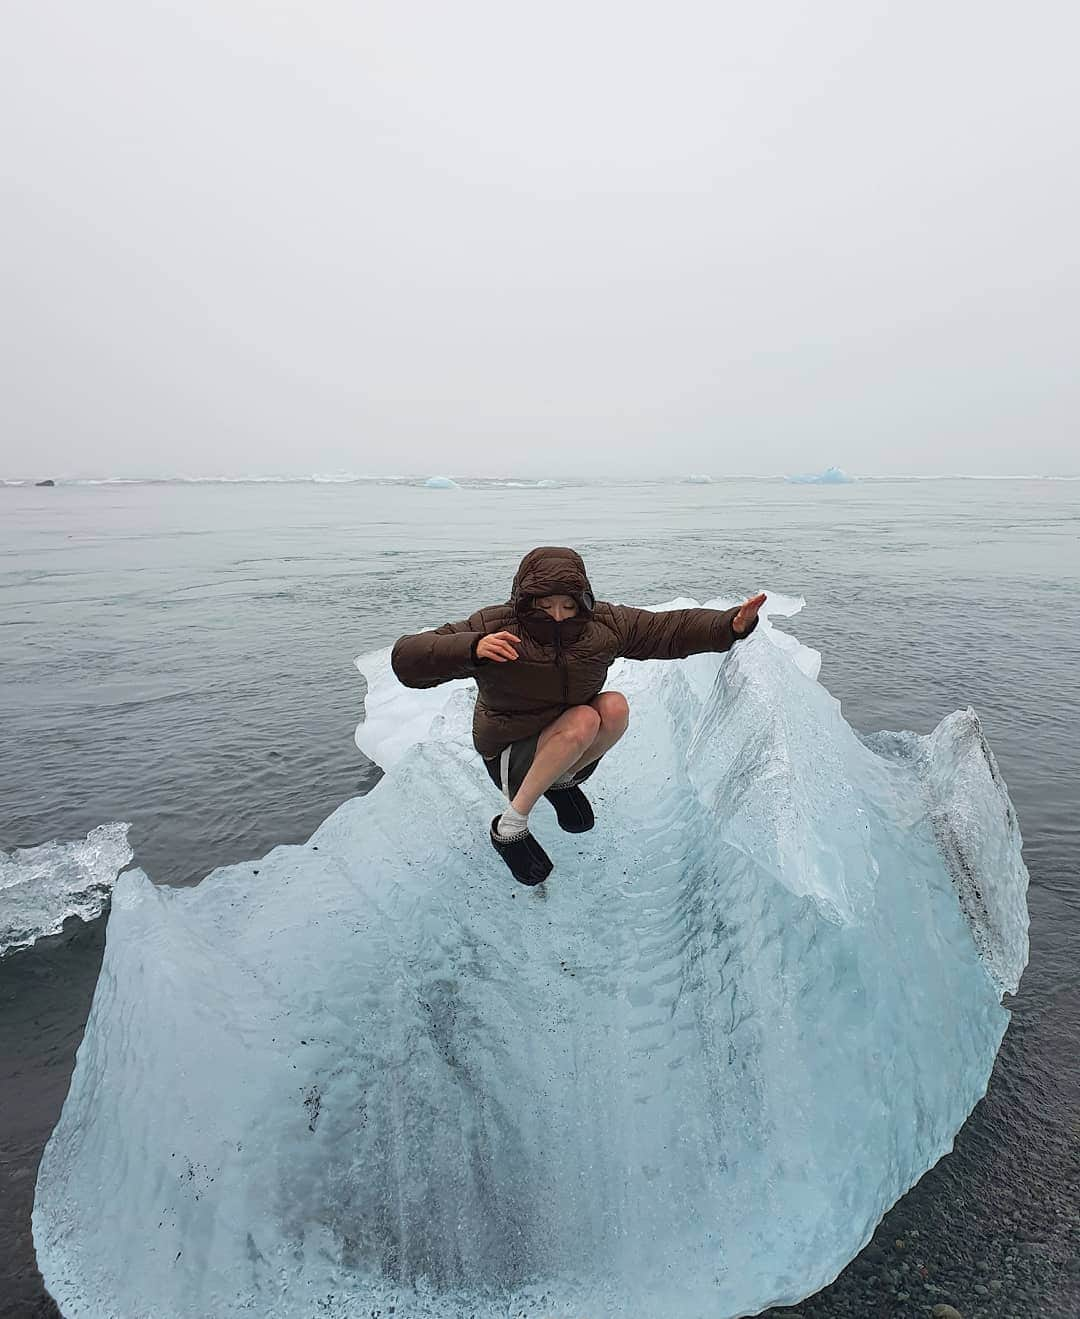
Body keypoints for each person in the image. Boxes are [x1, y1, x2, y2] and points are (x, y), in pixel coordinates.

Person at [391, 546, 765, 885]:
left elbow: (667, 631)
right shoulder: (495, 626)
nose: (557, 615)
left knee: (614, 706)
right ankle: (510, 826)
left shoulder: (602, 625)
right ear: (525, 601)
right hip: (509, 754)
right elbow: (408, 659)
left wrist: (729, 625)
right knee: (585, 719)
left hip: (566, 744)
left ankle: (559, 779)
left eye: (568, 605)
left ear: (583, 600)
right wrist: (471, 647)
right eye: (544, 605)